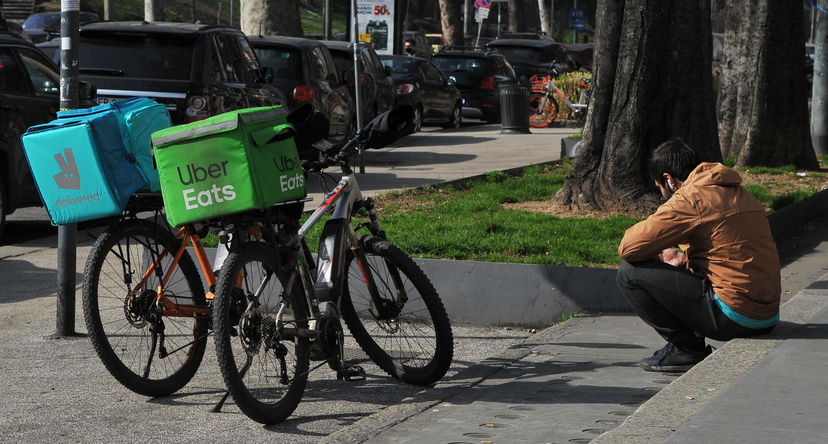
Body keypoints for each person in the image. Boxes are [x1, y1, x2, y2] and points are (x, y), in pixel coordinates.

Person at [616, 139, 781, 372]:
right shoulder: (739, 192)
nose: (663, 194)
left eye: (660, 187)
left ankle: (687, 349)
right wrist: (681, 261)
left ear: (669, 180)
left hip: (735, 318)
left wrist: (659, 255)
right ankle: (687, 346)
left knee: (629, 273)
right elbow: (727, 253)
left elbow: (629, 246)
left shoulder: (691, 198)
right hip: (767, 316)